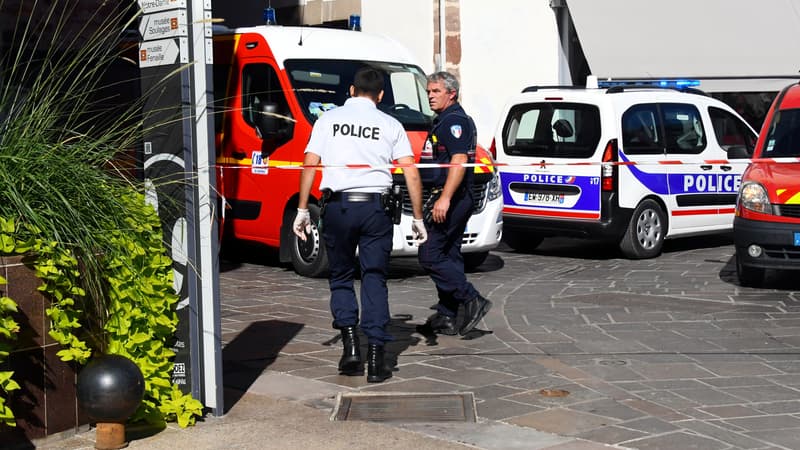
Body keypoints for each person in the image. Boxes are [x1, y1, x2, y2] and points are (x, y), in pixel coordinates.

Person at [293, 67, 426, 383]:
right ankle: (378, 358)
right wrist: (418, 217)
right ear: (380, 95)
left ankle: (351, 347)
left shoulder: (328, 120)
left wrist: (301, 210)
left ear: (351, 91)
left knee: (340, 276)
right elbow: (411, 172)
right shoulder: (391, 124)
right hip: (375, 210)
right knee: (374, 278)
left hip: (338, 208)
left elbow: (310, 163)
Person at [419, 71, 492, 337]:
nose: (430, 96)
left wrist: (445, 198)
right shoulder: (445, 120)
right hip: (451, 196)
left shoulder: (454, 122)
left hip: (452, 197)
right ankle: (448, 315)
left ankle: (471, 299)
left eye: (435, 91)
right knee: (449, 254)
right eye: (428, 91)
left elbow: (459, 160)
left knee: (429, 254)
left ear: (451, 93)